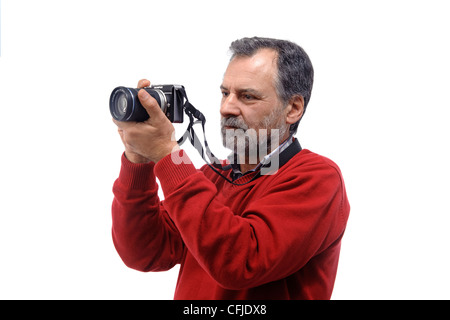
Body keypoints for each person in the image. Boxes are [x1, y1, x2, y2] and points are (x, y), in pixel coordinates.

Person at [111, 37, 350, 300]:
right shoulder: (212, 176)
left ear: (292, 108)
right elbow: (143, 250)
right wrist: (140, 160)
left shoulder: (318, 178)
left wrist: (167, 154)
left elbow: (240, 262)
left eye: (248, 96)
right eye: (225, 93)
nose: (226, 108)